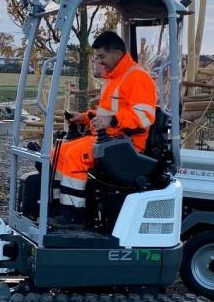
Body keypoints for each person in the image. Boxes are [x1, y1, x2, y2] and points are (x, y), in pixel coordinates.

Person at [53, 31, 158, 222]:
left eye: (102, 56)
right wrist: (84, 117)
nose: (100, 62)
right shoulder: (114, 78)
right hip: (108, 140)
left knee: (74, 156)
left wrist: (112, 120)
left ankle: (72, 217)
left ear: (117, 53)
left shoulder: (137, 77)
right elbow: (106, 113)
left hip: (128, 145)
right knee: (57, 153)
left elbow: (145, 116)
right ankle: (57, 207)